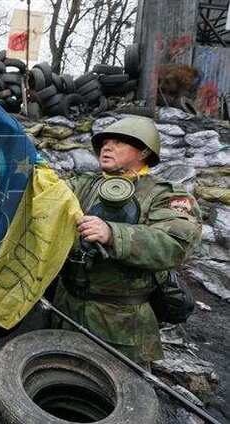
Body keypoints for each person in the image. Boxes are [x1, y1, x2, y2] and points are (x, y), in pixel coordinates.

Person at [53, 116, 202, 365]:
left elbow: (175, 244)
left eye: (119, 143)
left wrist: (113, 234)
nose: (107, 147)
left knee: (118, 394)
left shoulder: (164, 194)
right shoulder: (83, 185)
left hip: (120, 322)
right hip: (65, 308)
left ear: (143, 151)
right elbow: (44, 197)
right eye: (105, 142)